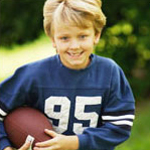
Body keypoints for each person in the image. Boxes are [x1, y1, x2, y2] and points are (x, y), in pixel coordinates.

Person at [0, 0, 135, 150]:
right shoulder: (34, 75)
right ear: (53, 39)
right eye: (65, 38)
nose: (74, 46)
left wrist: (75, 142)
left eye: (82, 36)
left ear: (96, 35)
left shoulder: (109, 72)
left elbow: (120, 126)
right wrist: (5, 146)